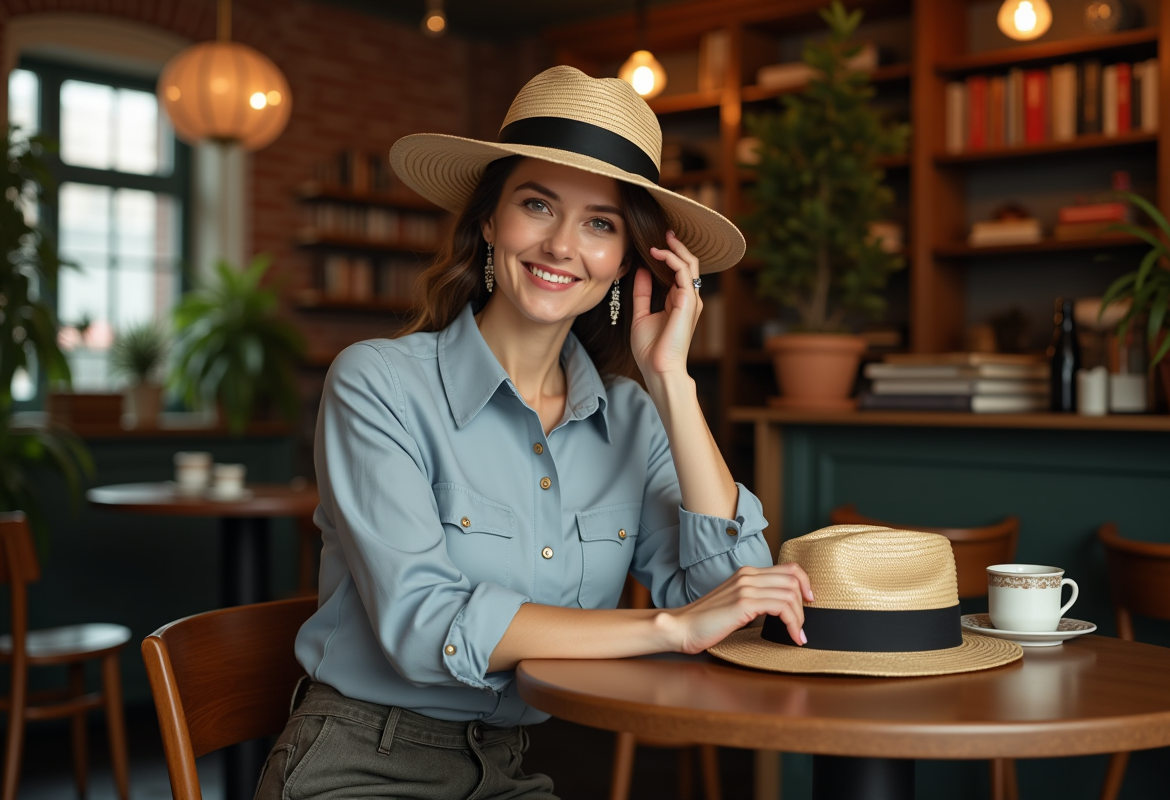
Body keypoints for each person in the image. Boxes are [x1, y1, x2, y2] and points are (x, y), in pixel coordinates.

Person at [254, 66, 811, 800]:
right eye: (538, 204)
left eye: (600, 223)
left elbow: (729, 601)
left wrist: (673, 384)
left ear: (624, 262)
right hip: (362, 762)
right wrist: (668, 628)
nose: (561, 246)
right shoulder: (377, 384)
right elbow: (426, 625)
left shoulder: (634, 418)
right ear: (490, 221)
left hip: (509, 769)